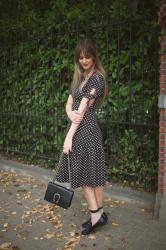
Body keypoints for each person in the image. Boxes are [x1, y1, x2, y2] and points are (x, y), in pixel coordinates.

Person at [56, 39, 108, 235]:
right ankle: (99, 214)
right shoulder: (81, 78)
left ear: (94, 56)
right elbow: (69, 105)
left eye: (87, 57)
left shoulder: (96, 79)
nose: (84, 60)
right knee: (91, 173)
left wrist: (68, 137)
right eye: (81, 57)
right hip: (79, 128)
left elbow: (83, 111)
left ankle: (95, 215)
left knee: (87, 174)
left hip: (85, 132)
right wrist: (70, 114)